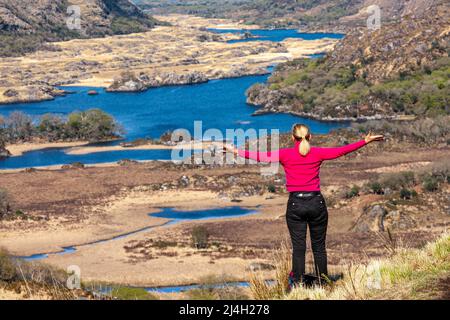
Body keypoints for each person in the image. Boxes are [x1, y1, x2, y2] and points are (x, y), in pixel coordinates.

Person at [224, 124, 384, 286]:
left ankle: (298, 284)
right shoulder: (317, 153)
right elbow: (341, 151)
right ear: (310, 137)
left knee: (298, 248)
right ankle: (324, 283)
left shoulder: (285, 154)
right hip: (316, 203)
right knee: (319, 247)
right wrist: (364, 141)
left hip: (296, 204)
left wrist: (234, 151)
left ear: (293, 138)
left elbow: (260, 156)